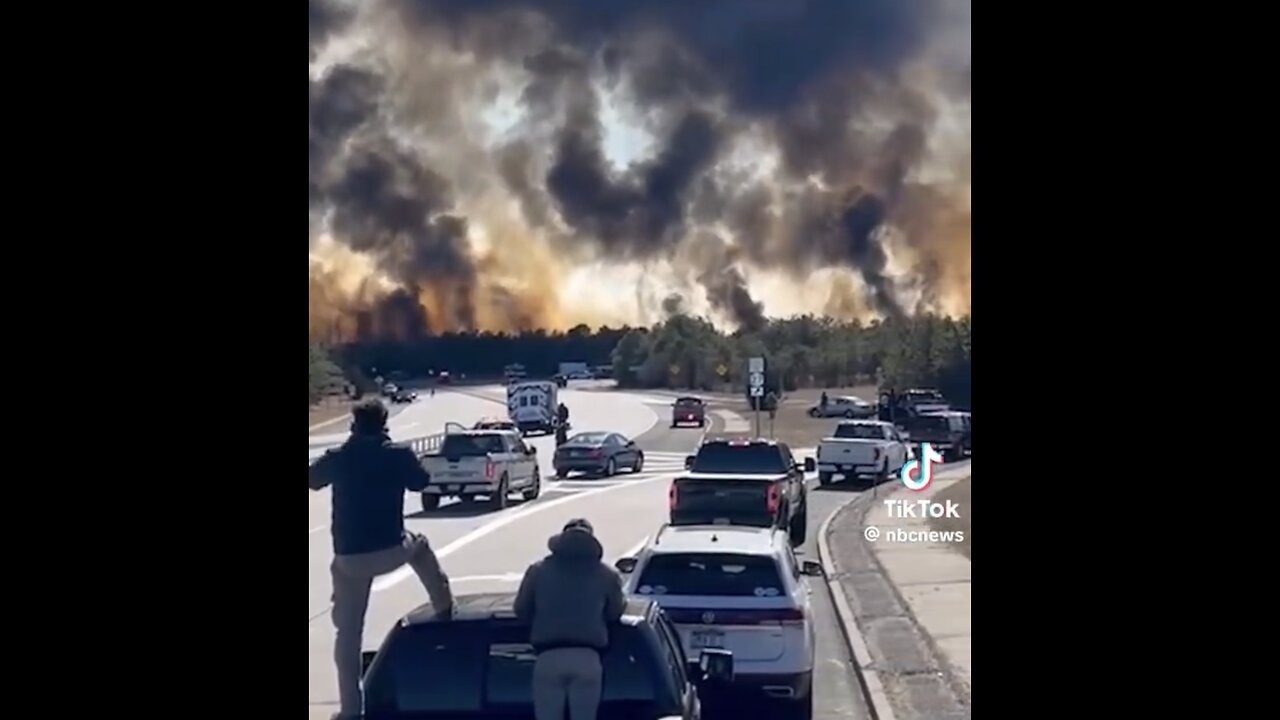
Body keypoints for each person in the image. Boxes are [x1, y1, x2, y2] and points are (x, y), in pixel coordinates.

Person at [309, 399, 454, 720]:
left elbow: (312, 478)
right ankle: (443, 605)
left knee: (348, 635)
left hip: (350, 559)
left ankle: (351, 710)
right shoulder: (398, 454)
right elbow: (422, 482)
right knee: (421, 546)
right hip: (393, 549)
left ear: (353, 425)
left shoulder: (340, 457)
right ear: (384, 423)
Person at [514, 519, 625, 720]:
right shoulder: (606, 574)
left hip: (548, 656)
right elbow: (615, 613)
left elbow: (521, 610)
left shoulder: (538, 571)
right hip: (588, 657)